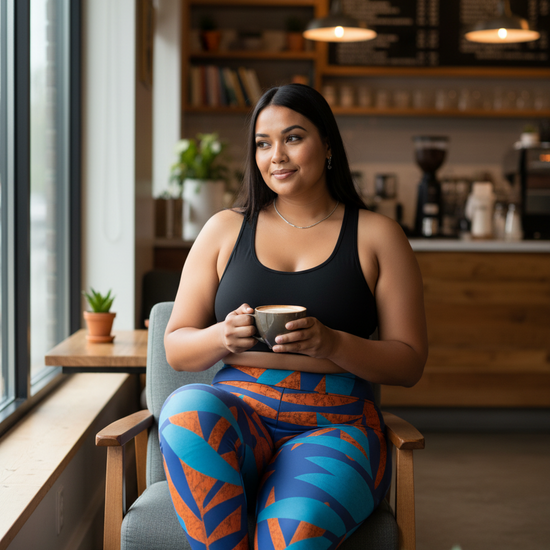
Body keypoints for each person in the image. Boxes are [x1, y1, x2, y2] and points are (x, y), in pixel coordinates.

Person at [159, 83, 428, 550]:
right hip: (239, 415)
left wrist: (334, 343)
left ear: (327, 145)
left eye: (293, 137)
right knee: (184, 410)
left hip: (337, 425)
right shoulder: (224, 228)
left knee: (292, 539)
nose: (276, 156)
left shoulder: (378, 235)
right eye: (263, 143)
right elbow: (177, 348)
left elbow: (409, 364)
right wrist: (224, 335)